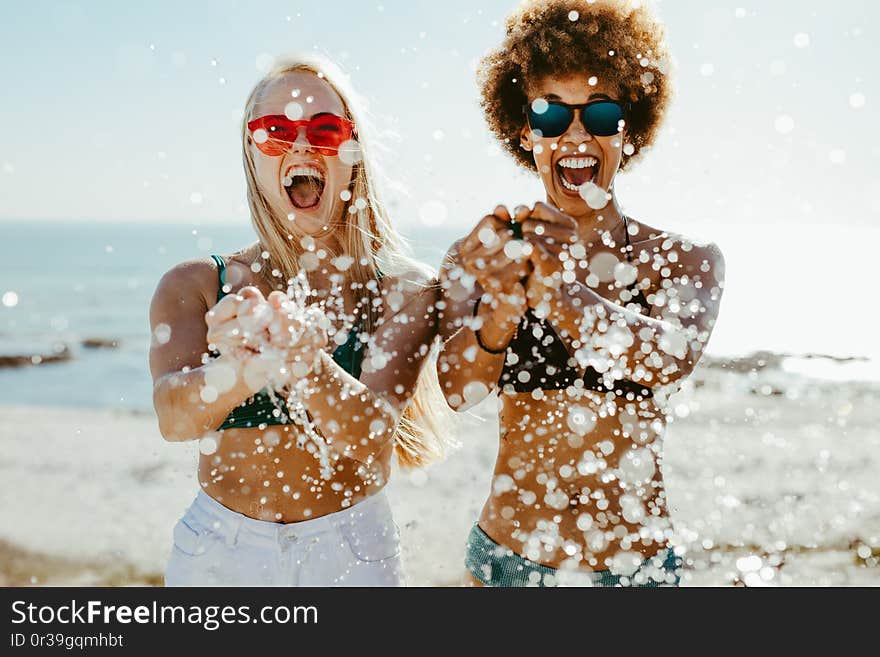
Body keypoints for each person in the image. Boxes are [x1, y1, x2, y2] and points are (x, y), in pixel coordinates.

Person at [437, 0, 725, 587]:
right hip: (506, 566)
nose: (574, 135)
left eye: (599, 114)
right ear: (524, 129)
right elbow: (459, 392)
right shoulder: (486, 256)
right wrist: (501, 309)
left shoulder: (683, 259)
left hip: (636, 571)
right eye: (550, 116)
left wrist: (556, 290)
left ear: (628, 129)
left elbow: (667, 358)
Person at [149, 54, 448, 586]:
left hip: (352, 549)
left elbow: (371, 434)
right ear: (251, 152)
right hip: (219, 549)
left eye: (326, 129)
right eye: (277, 130)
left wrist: (298, 360)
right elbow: (174, 417)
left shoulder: (404, 290)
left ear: (352, 152)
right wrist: (243, 369)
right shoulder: (193, 285)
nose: (303, 146)